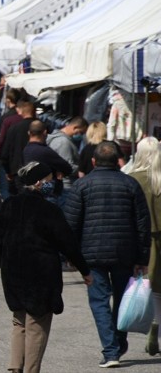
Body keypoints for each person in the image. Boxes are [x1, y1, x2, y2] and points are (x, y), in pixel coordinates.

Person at [0, 162, 92, 373]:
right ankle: (31, 370)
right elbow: (68, 243)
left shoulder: (9, 205)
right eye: (49, 179)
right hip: (41, 274)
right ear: (38, 183)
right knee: (37, 325)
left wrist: (9, 257)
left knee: (19, 321)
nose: (53, 182)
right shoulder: (49, 210)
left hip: (12, 272)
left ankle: (14, 368)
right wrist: (85, 270)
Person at [63, 142, 151, 368]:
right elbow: (143, 224)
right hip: (124, 253)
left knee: (99, 301)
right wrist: (142, 258)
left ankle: (111, 351)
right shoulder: (130, 184)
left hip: (91, 254)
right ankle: (118, 344)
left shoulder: (82, 186)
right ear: (118, 161)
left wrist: (71, 256)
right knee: (123, 301)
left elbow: (70, 224)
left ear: (93, 162)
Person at [128, 141, 161, 356]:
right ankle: (156, 330)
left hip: (142, 239)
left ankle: (152, 327)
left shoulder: (133, 178)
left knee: (146, 286)